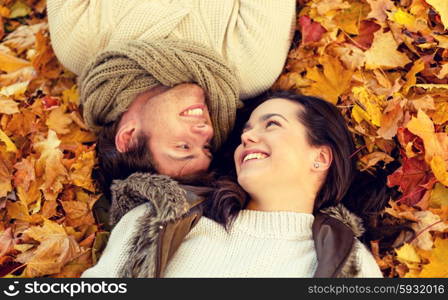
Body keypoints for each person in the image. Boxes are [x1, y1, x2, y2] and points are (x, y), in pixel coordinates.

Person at [81, 91, 387, 277]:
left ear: (319, 157)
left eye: (272, 124)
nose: (247, 136)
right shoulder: (159, 217)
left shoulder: (350, 264)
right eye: (247, 129)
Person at [46, 0, 297, 192]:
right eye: (207, 146)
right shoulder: (250, 67)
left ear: (129, 137)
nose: (205, 131)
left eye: (184, 146)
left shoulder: (78, 44)